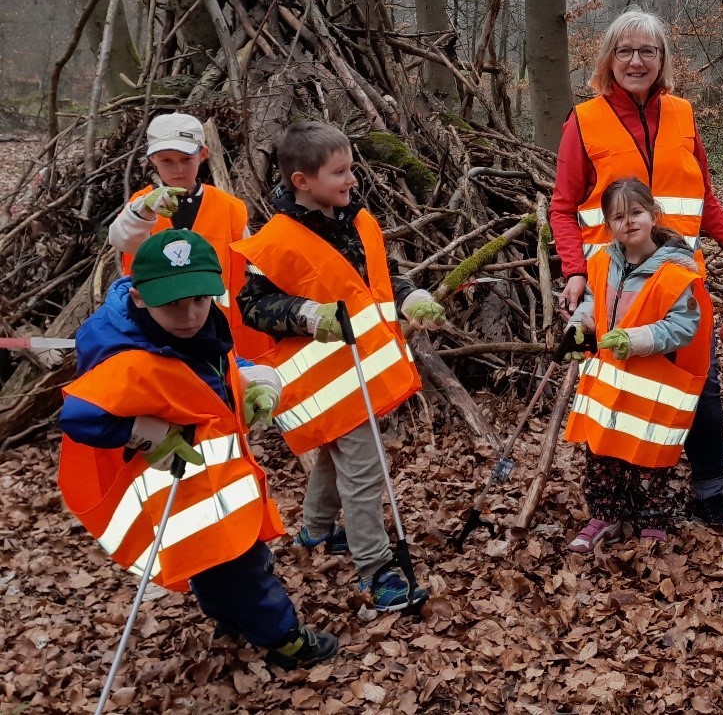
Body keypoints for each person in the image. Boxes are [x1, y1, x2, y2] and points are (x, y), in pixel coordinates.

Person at [58, 230, 336, 669]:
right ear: (141, 297)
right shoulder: (125, 351)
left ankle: (231, 617)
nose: (189, 315)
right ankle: (286, 639)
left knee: (212, 562)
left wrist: (252, 381)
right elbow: (80, 414)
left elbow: (214, 365)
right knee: (245, 566)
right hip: (181, 482)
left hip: (214, 479)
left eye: (199, 301)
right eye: (173, 305)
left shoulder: (199, 324)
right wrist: (149, 433)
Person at [550, 10, 723, 531]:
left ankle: (707, 494)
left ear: (663, 60)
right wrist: (575, 271)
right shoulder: (584, 120)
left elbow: (703, 197)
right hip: (615, 286)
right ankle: (619, 505)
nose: (636, 61)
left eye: (648, 51)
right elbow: (561, 205)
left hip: (678, 279)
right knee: (621, 391)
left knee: (701, 389)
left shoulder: (684, 116)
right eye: (625, 50)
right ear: (608, 59)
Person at [234, 121, 443, 612]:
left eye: (350, 169)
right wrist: (306, 315)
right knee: (364, 473)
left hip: (361, 373)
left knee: (334, 456)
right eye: (339, 173)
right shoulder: (275, 241)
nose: (352, 180)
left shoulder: (357, 219)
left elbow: (380, 276)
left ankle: (316, 529)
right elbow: (252, 306)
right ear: (302, 181)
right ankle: (377, 569)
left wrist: (412, 296)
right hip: (324, 380)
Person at [562, 178, 712, 551]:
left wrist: (636, 340)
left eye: (636, 213)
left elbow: (683, 326)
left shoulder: (676, 271)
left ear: (653, 215)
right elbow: (594, 304)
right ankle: (605, 515)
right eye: (617, 217)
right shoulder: (602, 263)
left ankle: (652, 519)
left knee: (650, 457)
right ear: (608, 224)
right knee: (601, 454)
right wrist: (579, 327)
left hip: (652, 386)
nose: (628, 222)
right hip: (608, 386)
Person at [107, 112, 271, 361]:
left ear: (203, 155)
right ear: (153, 160)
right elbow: (120, 238)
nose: (178, 169)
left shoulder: (229, 208)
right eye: (167, 160)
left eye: (186, 158)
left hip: (221, 332)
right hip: (160, 332)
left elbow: (251, 269)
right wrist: (143, 211)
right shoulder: (141, 207)